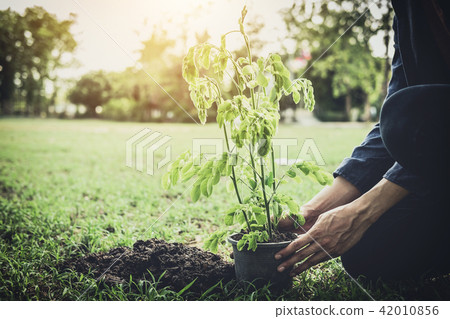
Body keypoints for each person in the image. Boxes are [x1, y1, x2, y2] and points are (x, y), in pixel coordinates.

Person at [275, 0, 450, 282]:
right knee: (371, 254)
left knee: (406, 113)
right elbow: (403, 120)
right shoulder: (409, 10)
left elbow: (414, 119)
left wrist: (363, 210)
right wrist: (316, 209)